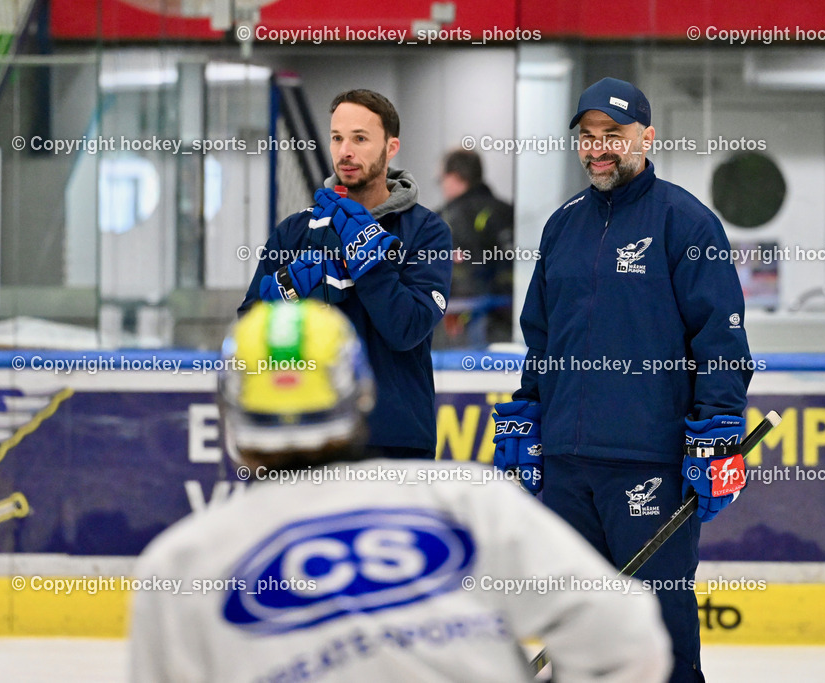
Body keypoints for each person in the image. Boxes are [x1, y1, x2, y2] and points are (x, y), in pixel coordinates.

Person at [129, 300, 671, 683]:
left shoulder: (179, 567)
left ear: (229, 411)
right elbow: (626, 638)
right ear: (361, 393)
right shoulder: (465, 501)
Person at [491, 78, 753, 682]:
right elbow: (542, 339)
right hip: (566, 466)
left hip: (647, 465)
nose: (598, 148)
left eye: (613, 134)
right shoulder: (562, 227)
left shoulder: (686, 223)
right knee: (572, 628)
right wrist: (527, 417)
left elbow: (722, 342)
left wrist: (716, 436)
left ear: (647, 137)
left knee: (659, 631)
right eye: (588, 136)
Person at [239, 89, 452, 459]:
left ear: (391, 146)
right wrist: (283, 294)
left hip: (395, 438)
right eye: (337, 137)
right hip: (309, 431)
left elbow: (408, 329)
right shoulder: (297, 230)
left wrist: (366, 258)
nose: (344, 151)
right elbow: (249, 327)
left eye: (360, 138)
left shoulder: (427, 231)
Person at [438, 149, 514, 347]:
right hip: (510, 321)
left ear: (455, 177)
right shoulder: (508, 211)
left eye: (442, 180)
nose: (443, 187)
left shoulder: (446, 219)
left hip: (460, 324)